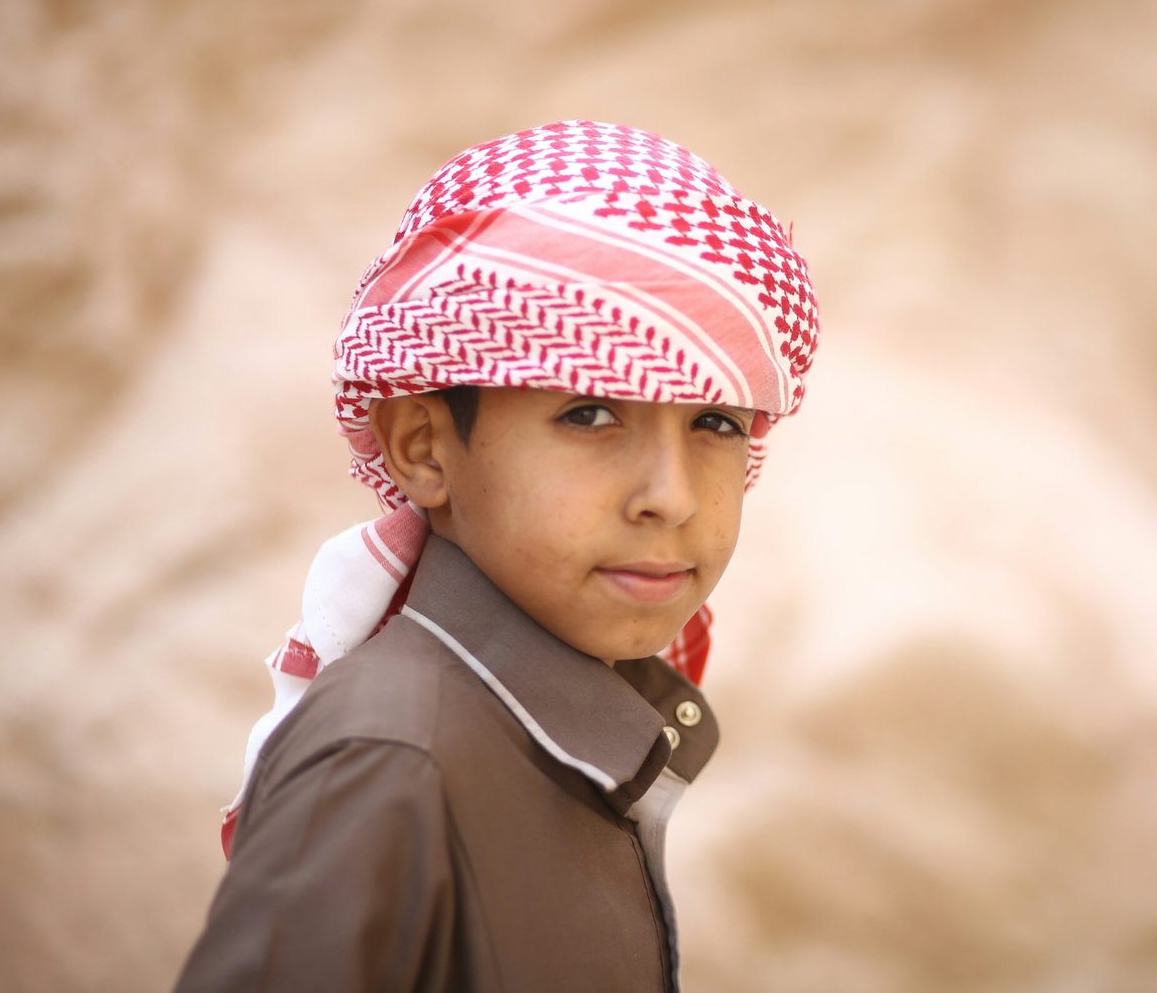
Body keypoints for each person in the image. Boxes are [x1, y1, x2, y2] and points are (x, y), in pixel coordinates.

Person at [173, 120, 819, 992]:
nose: (670, 494)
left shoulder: (560, 725)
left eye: (715, 423)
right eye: (590, 414)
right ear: (424, 448)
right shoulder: (390, 759)